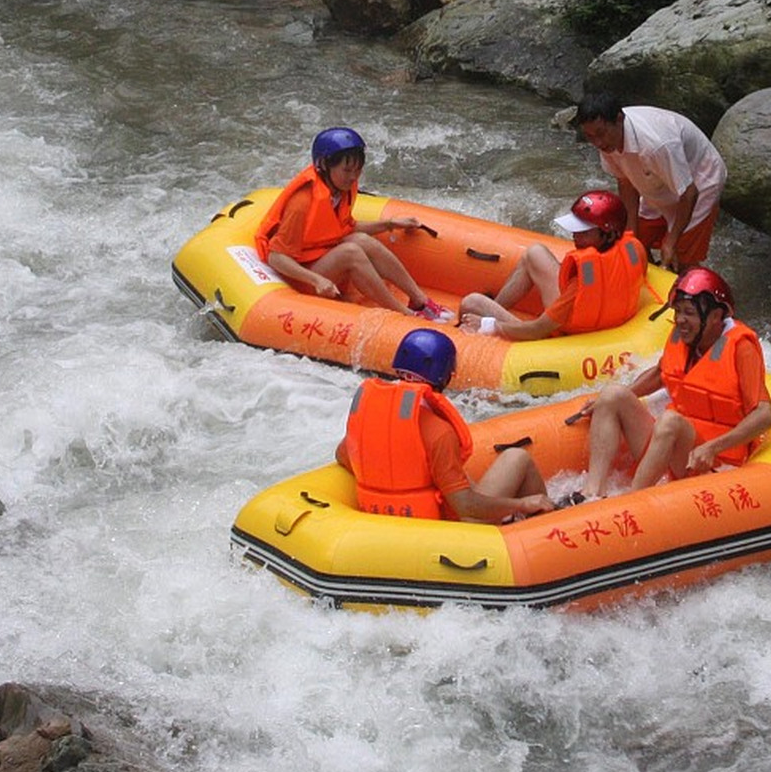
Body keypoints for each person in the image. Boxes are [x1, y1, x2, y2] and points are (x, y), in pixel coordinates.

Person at [580, 267, 771, 496]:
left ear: (715, 316)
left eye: (689, 313)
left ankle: (629, 501)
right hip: (673, 447)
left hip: (711, 461)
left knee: (670, 421)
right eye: (678, 311)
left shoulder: (741, 348)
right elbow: (660, 373)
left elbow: (764, 415)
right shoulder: (684, 337)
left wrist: (713, 447)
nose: (680, 320)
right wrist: (605, 402)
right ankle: (590, 494)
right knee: (613, 394)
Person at [337, 330, 554, 523]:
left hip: (384, 515)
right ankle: (546, 520)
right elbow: (466, 507)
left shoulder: (372, 415)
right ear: (444, 376)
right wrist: (523, 504)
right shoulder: (438, 431)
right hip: (447, 528)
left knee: (458, 475)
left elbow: (343, 456)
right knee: (517, 457)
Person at [254, 127, 452, 323]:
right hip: (299, 277)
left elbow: (344, 228)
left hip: (316, 259)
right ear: (324, 165)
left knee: (361, 241)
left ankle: (420, 300)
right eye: (347, 170)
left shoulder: (338, 191)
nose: (353, 177)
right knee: (350, 251)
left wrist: (390, 224)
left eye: (357, 170)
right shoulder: (302, 202)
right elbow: (277, 258)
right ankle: (404, 314)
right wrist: (316, 280)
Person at [572, 90, 727, 276]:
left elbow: (689, 193)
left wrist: (671, 241)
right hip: (656, 178)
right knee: (636, 244)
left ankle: (689, 287)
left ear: (619, 119)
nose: (597, 142)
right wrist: (630, 233)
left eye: (601, 134)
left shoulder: (656, 145)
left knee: (681, 257)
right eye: (590, 136)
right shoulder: (606, 140)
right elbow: (626, 182)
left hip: (699, 180)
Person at [457, 189, 645, 341]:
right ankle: (496, 307)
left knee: (471, 303)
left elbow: (537, 330)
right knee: (535, 252)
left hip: (563, 337)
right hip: (606, 322)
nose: (574, 236)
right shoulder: (635, 249)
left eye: (583, 232)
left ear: (608, 234)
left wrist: (489, 325)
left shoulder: (578, 285)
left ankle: (491, 312)